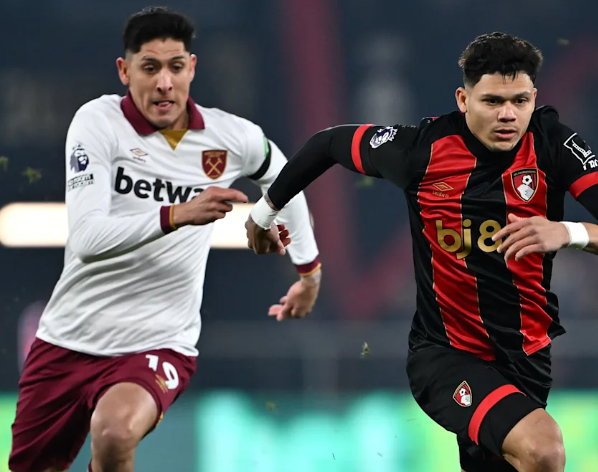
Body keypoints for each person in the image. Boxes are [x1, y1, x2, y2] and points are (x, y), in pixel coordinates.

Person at [246, 32, 598, 472]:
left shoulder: (554, 145)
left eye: (519, 101)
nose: (508, 114)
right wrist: (264, 211)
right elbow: (328, 144)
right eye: (492, 101)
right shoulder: (422, 150)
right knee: (544, 449)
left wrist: (569, 231)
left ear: (534, 99)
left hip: (528, 359)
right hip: (446, 357)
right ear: (463, 100)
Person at [9, 6, 322, 472]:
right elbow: (89, 238)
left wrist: (308, 271)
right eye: (150, 67)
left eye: (175, 67)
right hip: (68, 340)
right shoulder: (97, 123)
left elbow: (283, 173)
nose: (164, 83)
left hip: (157, 343)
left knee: (114, 433)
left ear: (191, 67)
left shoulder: (229, 136)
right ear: (124, 71)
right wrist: (178, 213)